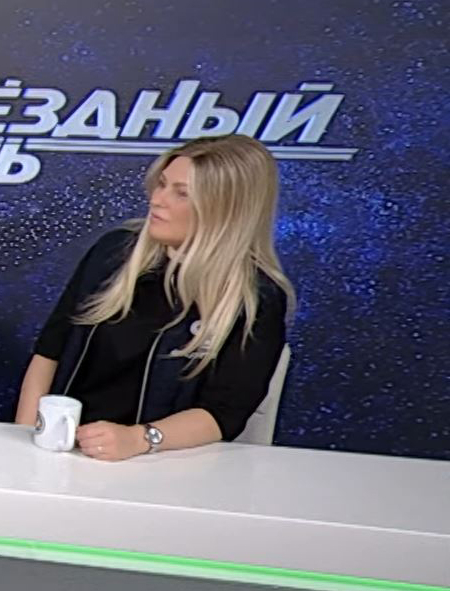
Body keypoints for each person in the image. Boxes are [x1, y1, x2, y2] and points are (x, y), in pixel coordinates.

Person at [15, 134, 295, 460]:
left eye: (181, 193)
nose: (157, 200)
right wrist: (28, 441)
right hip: (67, 453)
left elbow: (223, 413)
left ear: (226, 210)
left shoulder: (256, 298)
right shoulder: (114, 253)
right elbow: (48, 354)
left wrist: (139, 439)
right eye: (161, 184)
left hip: (163, 462)